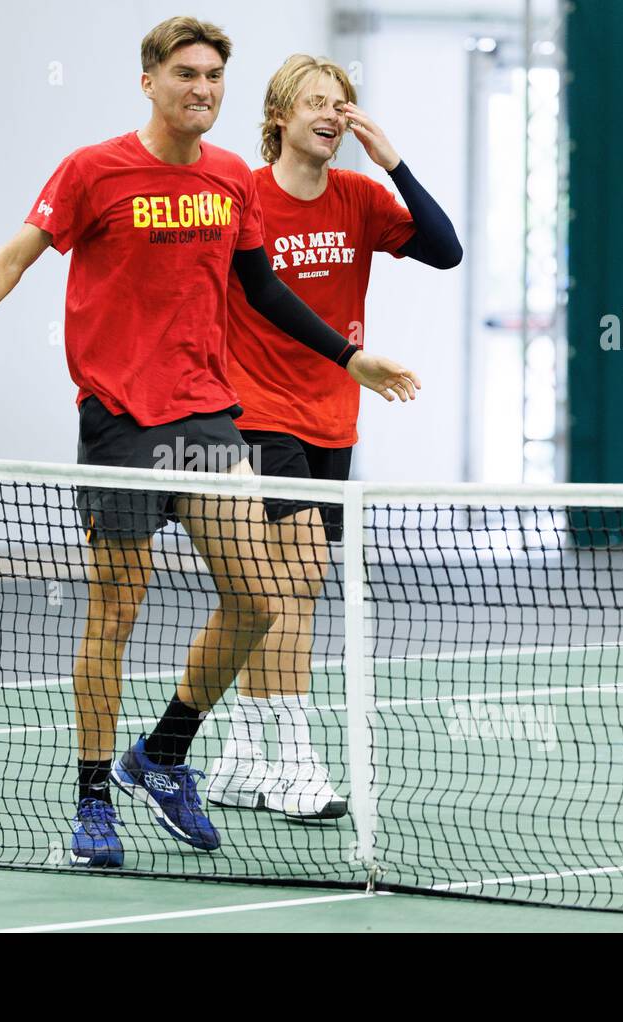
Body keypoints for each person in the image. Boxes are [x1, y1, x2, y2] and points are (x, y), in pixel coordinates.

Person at [0, 20, 422, 867]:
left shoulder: (233, 180)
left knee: (260, 601)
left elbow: (261, 288)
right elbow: (17, 255)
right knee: (115, 613)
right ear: (149, 80)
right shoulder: (93, 170)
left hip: (205, 420)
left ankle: (161, 754)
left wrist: (349, 356)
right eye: (187, 74)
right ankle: (91, 805)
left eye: (216, 76)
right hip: (119, 422)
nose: (203, 89)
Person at [208, 54, 462, 820]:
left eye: (343, 101)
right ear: (280, 115)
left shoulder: (358, 196)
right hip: (257, 414)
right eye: (317, 100)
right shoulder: (242, 197)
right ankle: (297, 762)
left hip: (332, 418)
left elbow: (444, 247)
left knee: (274, 594)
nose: (333, 111)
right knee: (300, 578)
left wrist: (394, 161)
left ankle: (239, 756)